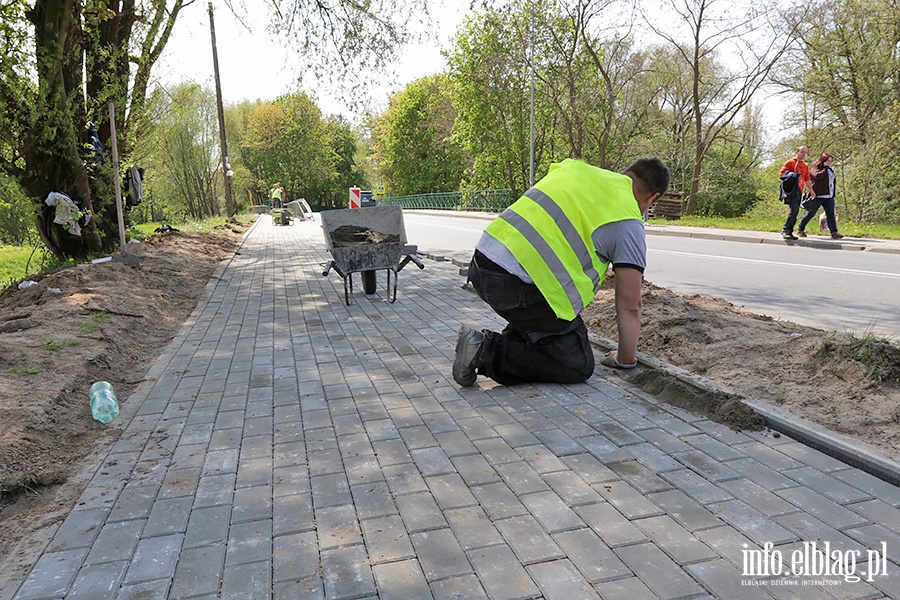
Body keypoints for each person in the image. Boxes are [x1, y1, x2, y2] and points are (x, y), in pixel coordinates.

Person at [452, 157, 671, 387]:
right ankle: (483, 351)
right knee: (577, 363)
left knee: (544, 326)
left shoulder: (574, 168)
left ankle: (504, 342)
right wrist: (625, 359)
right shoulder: (627, 220)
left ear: (625, 173)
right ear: (652, 198)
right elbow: (630, 305)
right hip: (515, 287)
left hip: (481, 265)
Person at [797, 153, 843, 239]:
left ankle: (834, 232)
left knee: (831, 215)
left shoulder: (830, 170)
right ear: (823, 160)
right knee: (811, 213)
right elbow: (818, 176)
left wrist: (833, 193)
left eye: (830, 161)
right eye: (827, 161)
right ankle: (800, 229)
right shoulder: (815, 168)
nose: (829, 163)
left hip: (829, 196)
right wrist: (825, 168)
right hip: (818, 196)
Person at [779, 146, 811, 240]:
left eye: (805, 152)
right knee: (794, 210)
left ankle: (789, 230)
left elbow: (807, 178)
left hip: (799, 191)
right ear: (797, 152)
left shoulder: (805, 165)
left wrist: (811, 190)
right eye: (802, 152)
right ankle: (786, 230)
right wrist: (791, 176)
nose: (804, 154)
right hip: (791, 191)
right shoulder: (790, 162)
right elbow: (781, 174)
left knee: (795, 211)